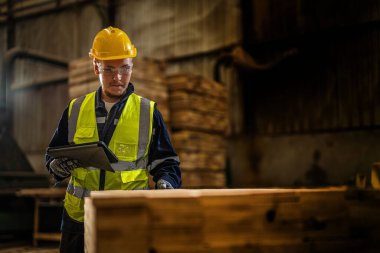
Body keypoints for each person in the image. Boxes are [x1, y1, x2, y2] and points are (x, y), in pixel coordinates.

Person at [45, 26, 181, 253]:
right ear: (95, 66)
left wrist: (166, 184)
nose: (118, 78)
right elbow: (53, 155)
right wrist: (56, 167)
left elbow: (166, 163)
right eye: (109, 69)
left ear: (132, 67)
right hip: (78, 220)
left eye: (124, 68)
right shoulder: (76, 109)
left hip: (128, 217)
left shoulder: (148, 112)